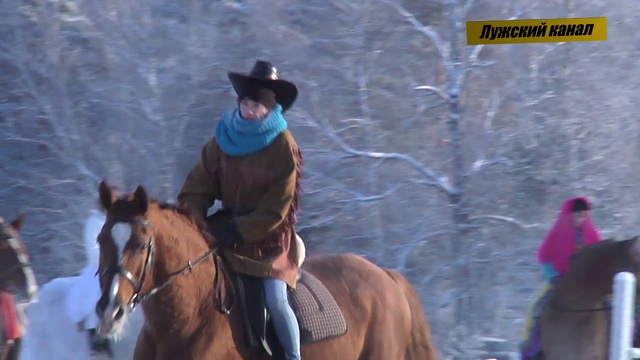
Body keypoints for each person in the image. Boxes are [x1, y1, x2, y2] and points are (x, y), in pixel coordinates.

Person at [178, 59, 303, 360]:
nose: (248, 109)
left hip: (269, 239)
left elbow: (277, 209)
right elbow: (197, 187)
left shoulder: (284, 147)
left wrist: (235, 231)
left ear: (270, 110)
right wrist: (193, 225)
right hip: (224, 229)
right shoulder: (221, 139)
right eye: (245, 102)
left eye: (255, 105)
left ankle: (292, 354)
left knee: (274, 298)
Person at [521, 196, 602, 358]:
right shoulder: (557, 234)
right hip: (561, 281)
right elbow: (544, 258)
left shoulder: (592, 234)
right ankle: (532, 345)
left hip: (587, 285)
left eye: (582, 215)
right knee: (538, 308)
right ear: (568, 215)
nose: (579, 219)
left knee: (611, 305)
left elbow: (599, 259)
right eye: (576, 215)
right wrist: (554, 277)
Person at [65, 203, 114, 358]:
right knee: (95, 292)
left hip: (117, 265)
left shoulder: (115, 221)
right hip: (99, 265)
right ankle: (96, 338)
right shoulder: (94, 222)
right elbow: (92, 248)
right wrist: (107, 260)